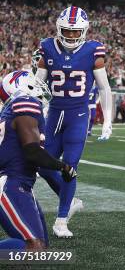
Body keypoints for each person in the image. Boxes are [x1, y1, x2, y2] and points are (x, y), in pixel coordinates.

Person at [35, 6, 113, 238]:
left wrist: (107, 120)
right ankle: (71, 201)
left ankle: (61, 220)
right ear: (59, 29)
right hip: (54, 114)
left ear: (84, 30)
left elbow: (104, 87)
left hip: (78, 115)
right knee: (42, 165)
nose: (70, 36)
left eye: (75, 31)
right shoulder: (47, 47)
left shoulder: (92, 50)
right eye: (67, 31)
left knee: (70, 167)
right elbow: (38, 84)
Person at [0, 75, 77, 250]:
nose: (39, 84)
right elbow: (32, 151)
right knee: (34, 248)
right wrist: (62, 166)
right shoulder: (25, 102)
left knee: (41, 247)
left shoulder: (11, 110)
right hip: (10, 183)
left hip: (21, 184)